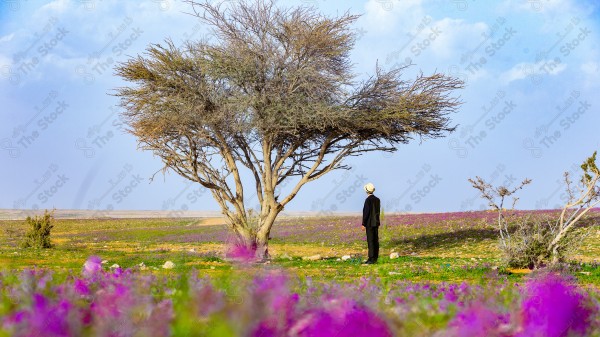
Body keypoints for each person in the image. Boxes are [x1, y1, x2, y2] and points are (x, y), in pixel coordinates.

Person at [362, 182, 380, 264]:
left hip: (369, 223)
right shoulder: (377, 200)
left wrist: (363, 223)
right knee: (375, 240)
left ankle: (371, 258)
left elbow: (366, 213)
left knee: (370, 241)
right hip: (376, 222)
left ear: (366, 191)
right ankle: (375, 257)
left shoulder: (367, 200)